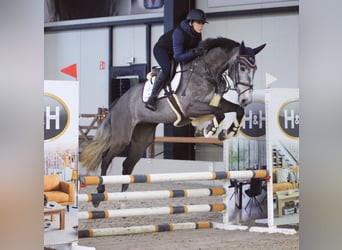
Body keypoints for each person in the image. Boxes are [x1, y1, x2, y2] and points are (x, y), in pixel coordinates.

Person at [145, 9, 208, 111]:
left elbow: (196, 50)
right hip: (162, 50)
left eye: (203, 23)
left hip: (179, 51)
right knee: (167, 68)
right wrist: (193, 53)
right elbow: (178, 57)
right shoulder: (179, 33)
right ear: (191, 22)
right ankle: (152, 98)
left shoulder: (197, 34)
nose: (201, 26)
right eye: (199, 23)